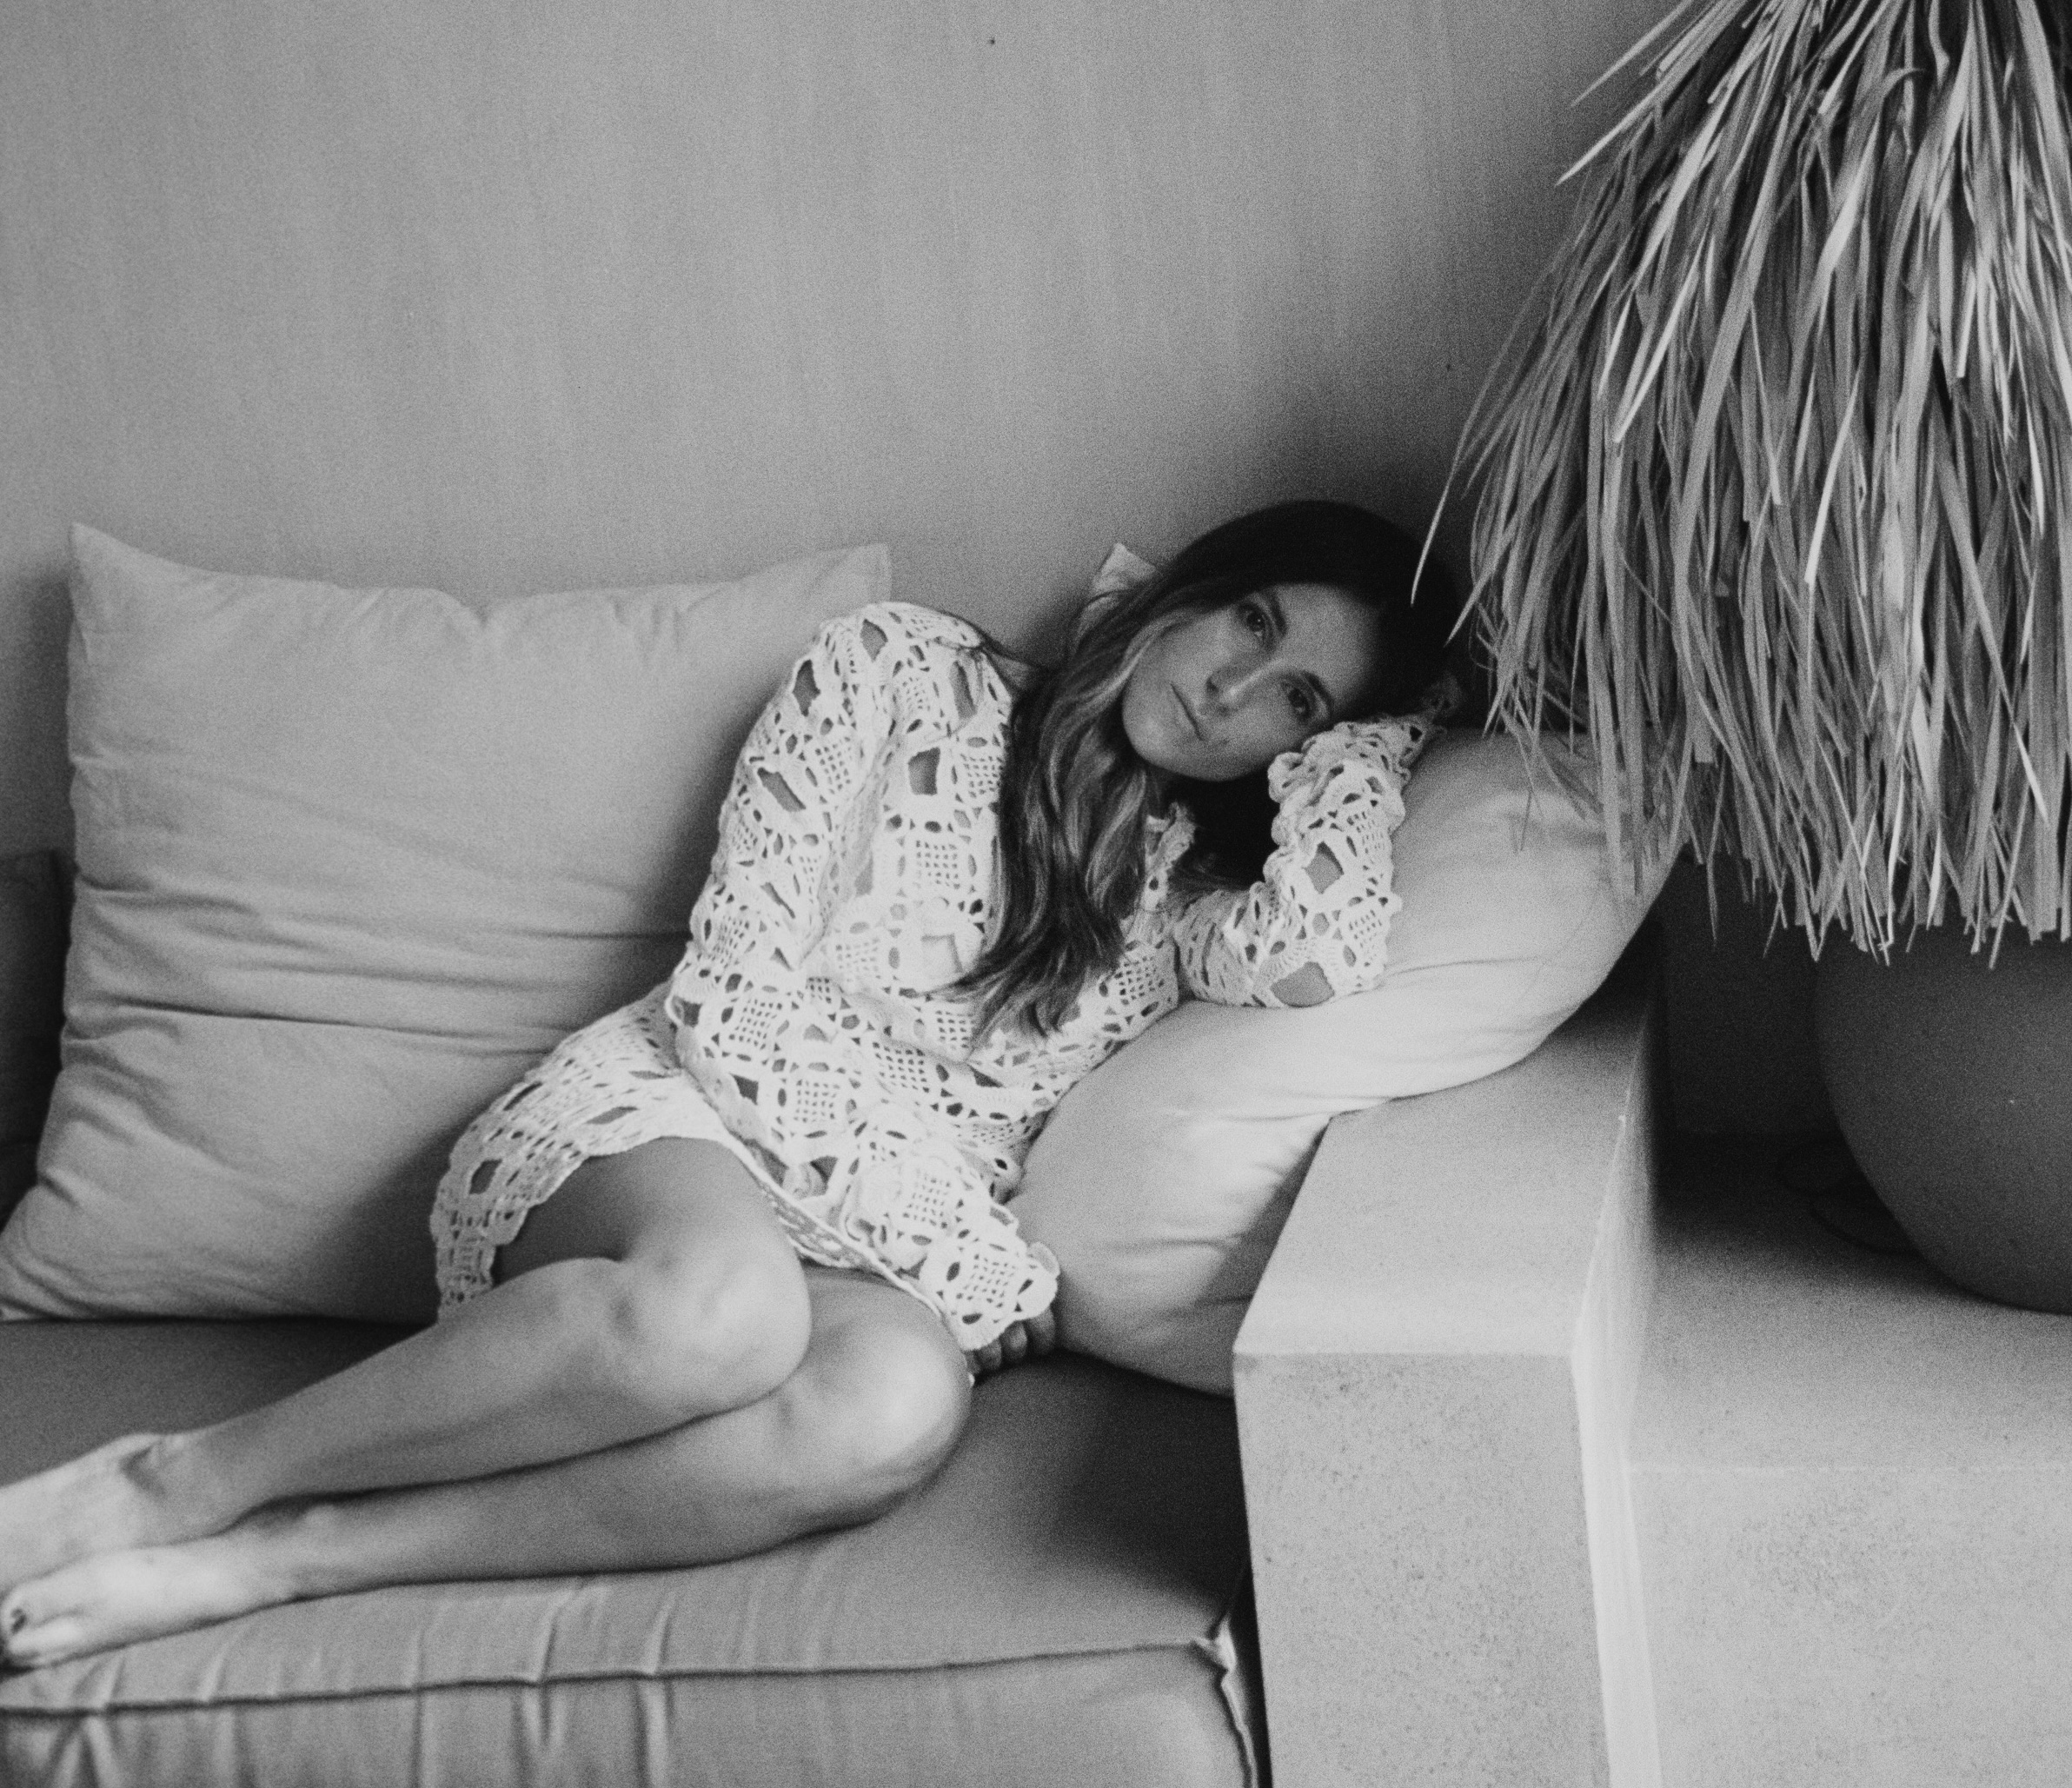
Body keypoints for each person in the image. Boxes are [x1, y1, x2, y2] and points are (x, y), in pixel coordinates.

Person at [0, 501, 1455, 1666]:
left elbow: (1322, 953)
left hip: (864, 1266)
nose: (1229, 691)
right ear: (1195, 587)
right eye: (1251, 624)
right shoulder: (896, 667)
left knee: (894, 1411)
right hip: (670, 1119)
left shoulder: (1186, 899)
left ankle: (277, 1560)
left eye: (1294, 697)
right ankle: (185, 1481)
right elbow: (734, 990)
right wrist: (978, 1262)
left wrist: (1375, 740)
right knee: (726, 1310)